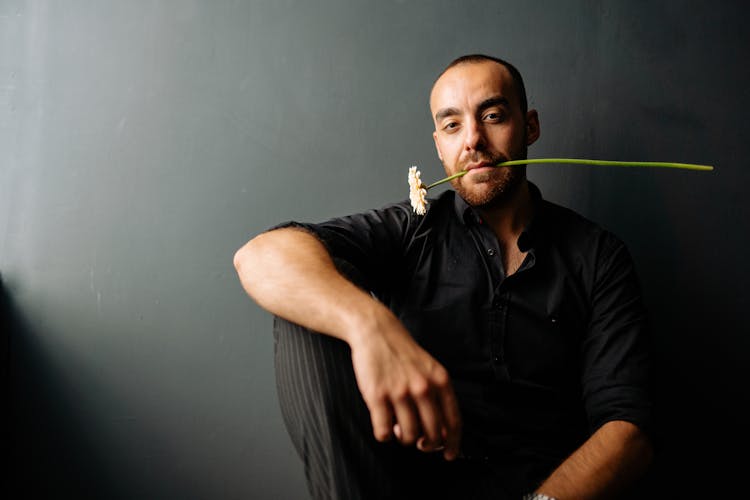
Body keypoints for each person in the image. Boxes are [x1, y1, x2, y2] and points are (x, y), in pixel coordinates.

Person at [234, 54, 654, 500]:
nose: (473, 140)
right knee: (307, 309)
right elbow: (260, 256)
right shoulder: (412, 228)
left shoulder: (598, 256)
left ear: (529, 127)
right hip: (396, 486)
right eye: (453, 126)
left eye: (492, 116)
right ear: (438, 146)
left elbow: (628, 429)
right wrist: (370, 327)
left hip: (540, 491)